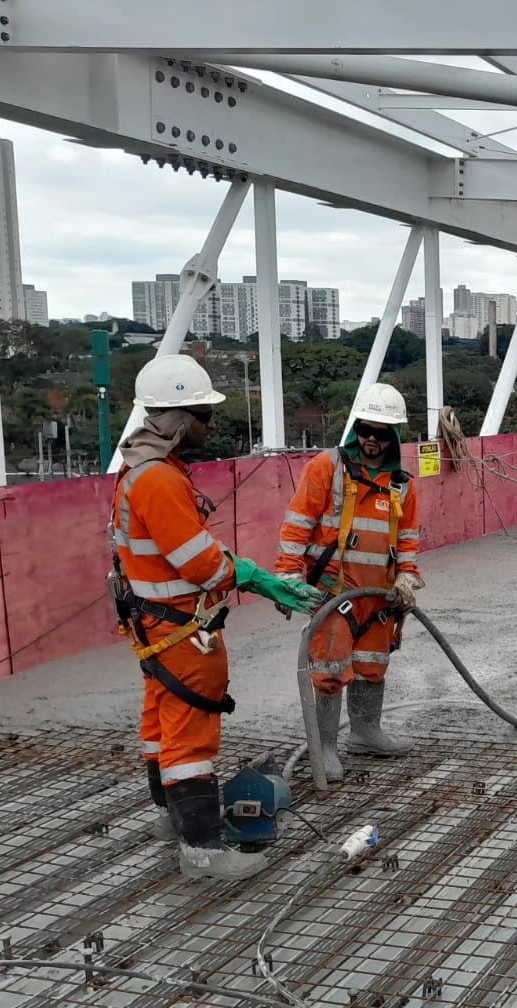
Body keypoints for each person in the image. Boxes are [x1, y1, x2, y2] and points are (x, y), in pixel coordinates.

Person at [109, 354, 323, 881]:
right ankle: (201, 850)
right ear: (181, 421)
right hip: (181, 629)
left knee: (160, 725)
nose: (211, 424)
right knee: (189, 734)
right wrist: (260, 578)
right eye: (205, 415)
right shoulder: (158, 480)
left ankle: (172, 820)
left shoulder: (141, 472)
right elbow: (201, 564)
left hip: (157, 625)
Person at [276, 382, 423, 782]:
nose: (371, 440)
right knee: (329, 668)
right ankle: (324, 747)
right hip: (334, 591)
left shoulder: (401, 483)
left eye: (381, 433)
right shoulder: (327, 467)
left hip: (379, 596)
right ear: (356, 428)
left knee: (372, 665)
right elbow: (297, 524)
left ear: (395, 435)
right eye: (365, 430)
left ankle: (365, 732)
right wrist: (288, 574)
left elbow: (407, 539)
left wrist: (408, 579)